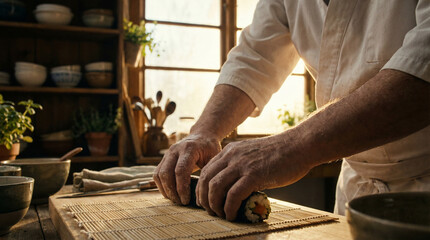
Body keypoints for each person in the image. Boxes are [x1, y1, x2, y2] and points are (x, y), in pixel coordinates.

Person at [153, 0, 430, 221]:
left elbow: (422, 67)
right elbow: (255, 57)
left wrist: (289, 147)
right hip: (355, 188)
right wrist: (204, 132)